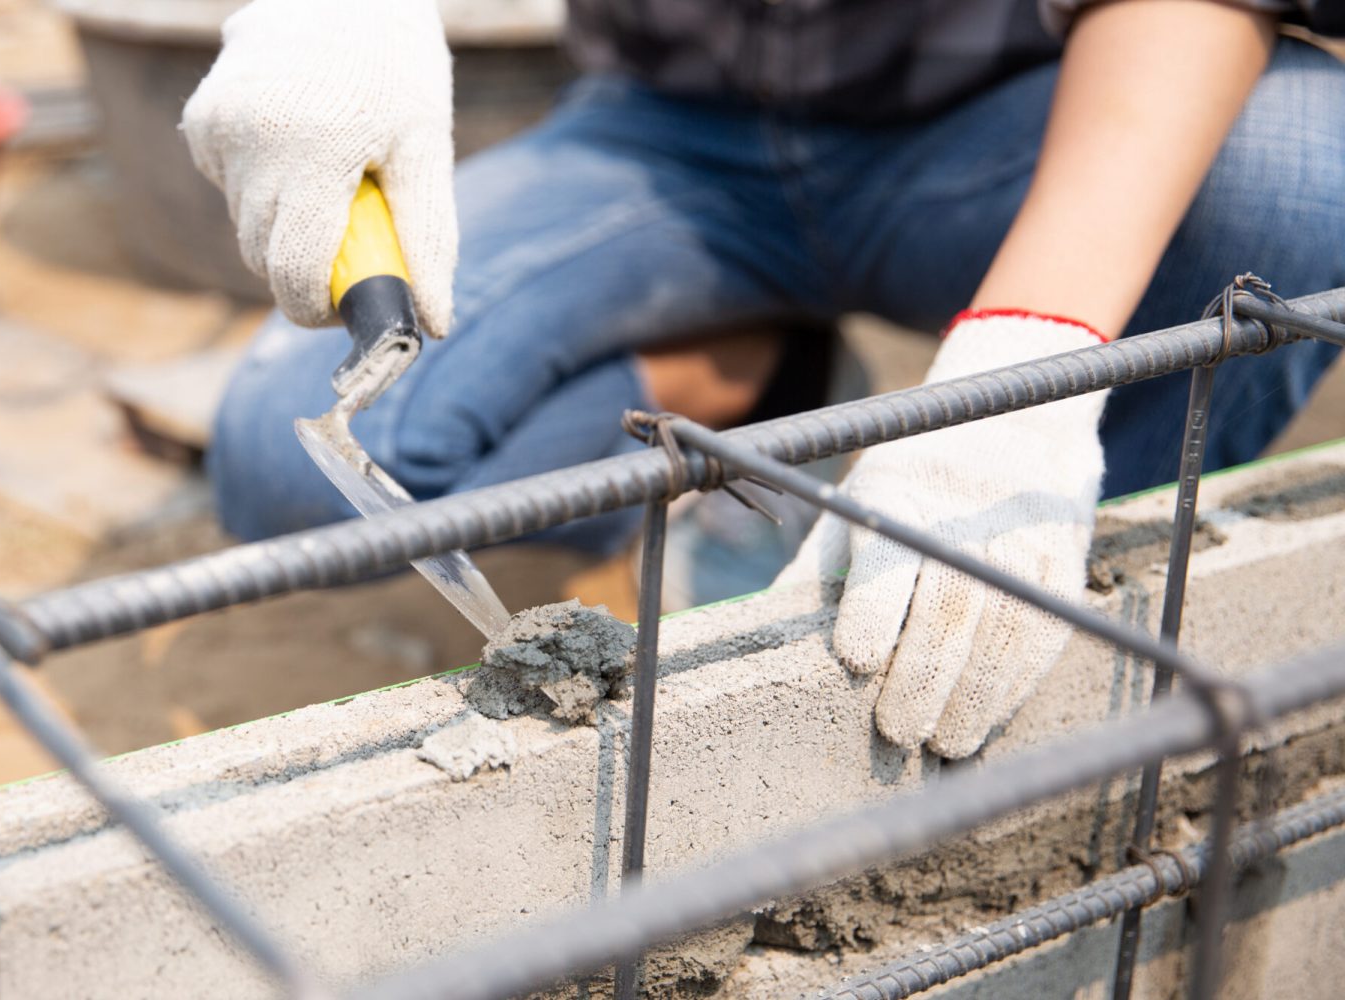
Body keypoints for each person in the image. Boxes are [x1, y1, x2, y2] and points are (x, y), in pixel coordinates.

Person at [180, 0, 1345, 758]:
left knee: (1308, 170)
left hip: (1001, 118)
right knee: (285, 457)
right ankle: (759, 376)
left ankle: (1028, 651)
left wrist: (1028, 353)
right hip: (670, 135)